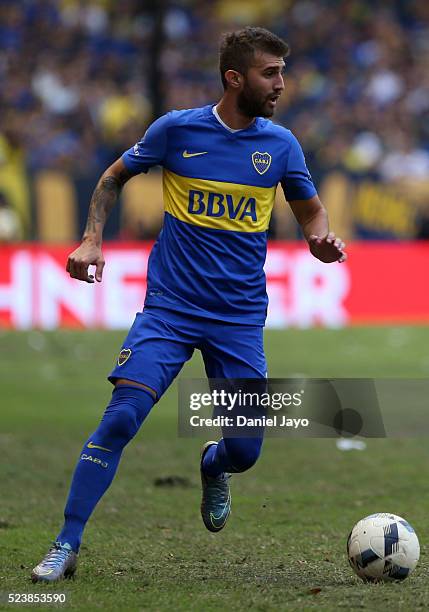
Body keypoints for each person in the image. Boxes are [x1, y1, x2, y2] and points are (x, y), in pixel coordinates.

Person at [31, 26, 346, 583]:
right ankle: (65, 544)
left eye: (281, 72)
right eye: (269, 73)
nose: (281, 84)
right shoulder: (176, 130)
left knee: (245, 452)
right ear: (234, 77)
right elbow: (112, 177)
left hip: (239, 317)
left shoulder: (281, 146)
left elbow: (311, 211)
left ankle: (211, 462)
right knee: (122, 416)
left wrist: (319, 239)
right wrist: (91, 238)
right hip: (170, 310)